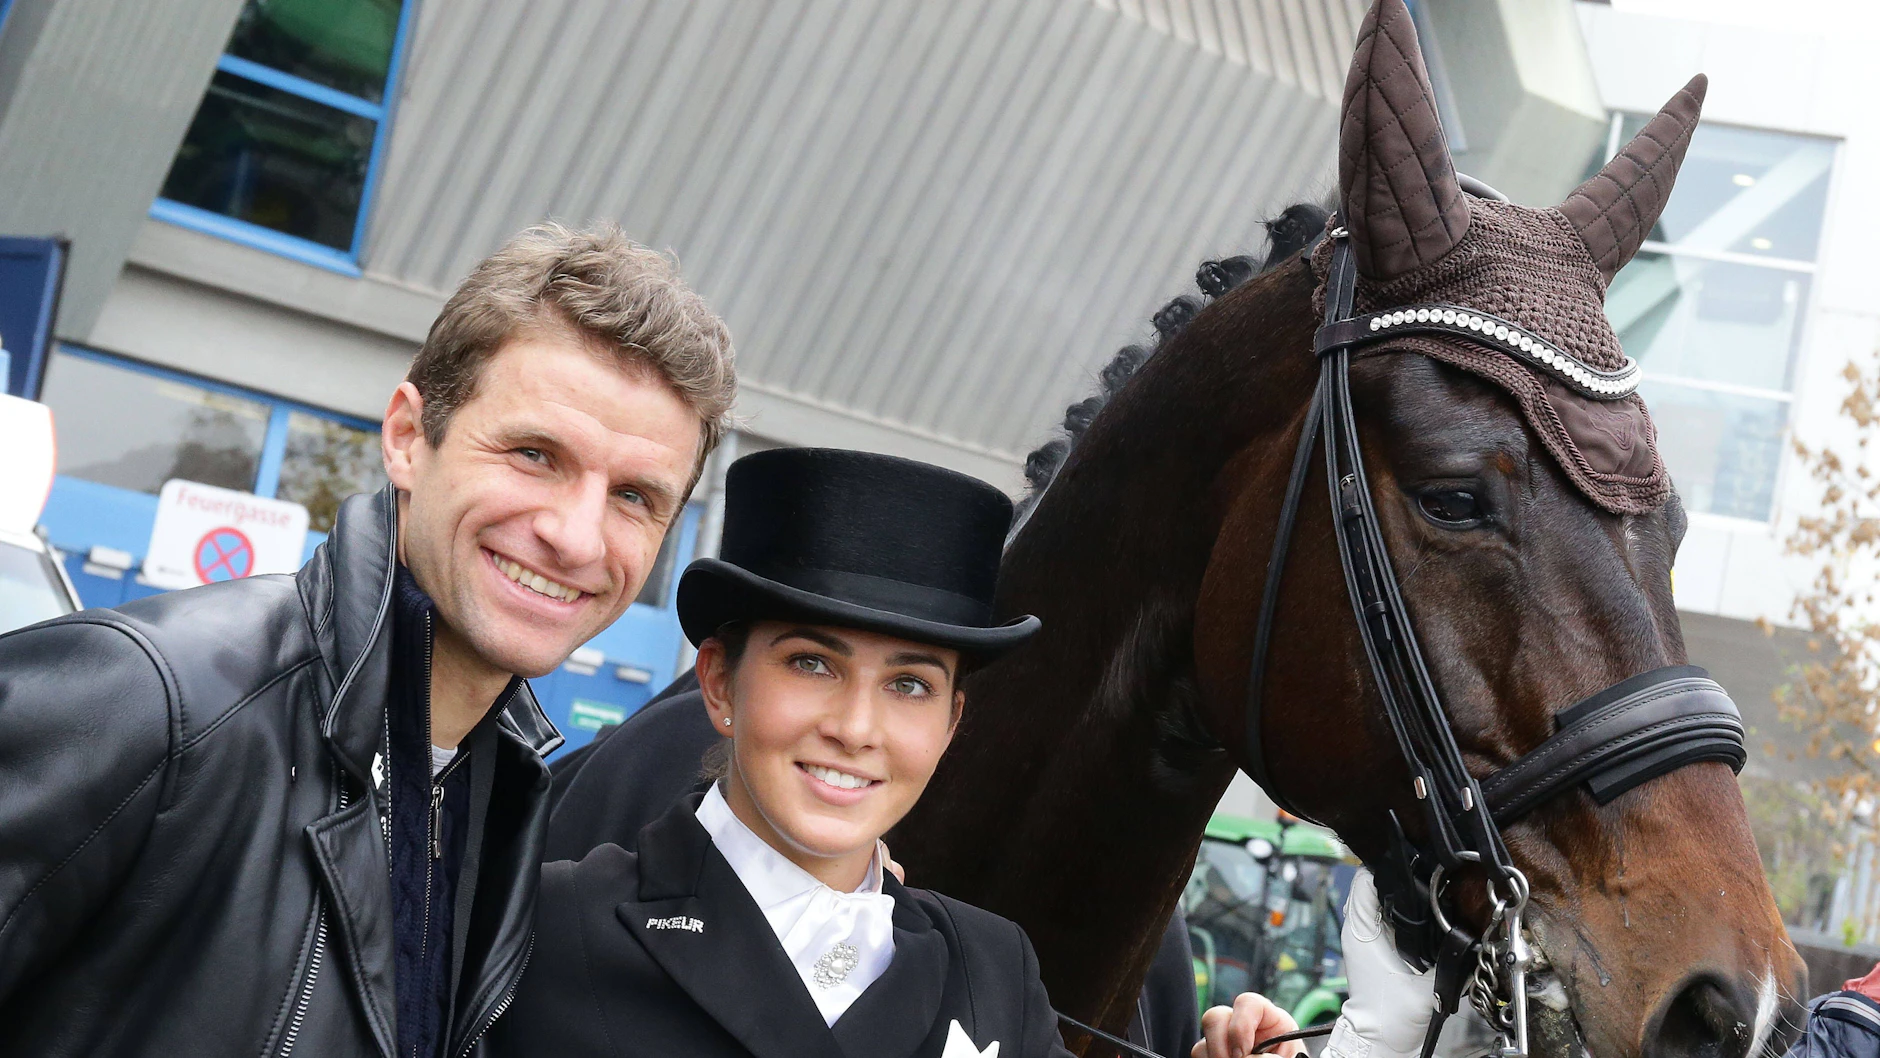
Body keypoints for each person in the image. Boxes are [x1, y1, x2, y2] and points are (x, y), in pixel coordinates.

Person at [0, 222, 736, 1057]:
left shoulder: (499, 793)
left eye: (635, 497)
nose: (576, 536)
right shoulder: (151, 701)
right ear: (406, 439)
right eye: (535, 455)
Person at [488, 448, 1278, 1058]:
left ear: (951, 724)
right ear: (721, 685)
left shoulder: (996, 970)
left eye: (909, 686)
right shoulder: (541, 926)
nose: (857, 728)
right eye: (812, 664)